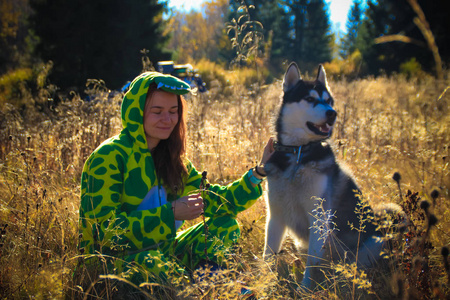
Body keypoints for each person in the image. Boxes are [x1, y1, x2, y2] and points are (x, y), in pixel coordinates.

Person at [78, 71, 274, 284]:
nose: (168, 119)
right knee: (152, 261)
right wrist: (170, 214)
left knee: (225, 226)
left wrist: (259, 173)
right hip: (111, 264)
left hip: (163, 251)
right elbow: (104, 234)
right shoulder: (109, 157)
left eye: (173, 111)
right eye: (157, 111)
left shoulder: (172, 158)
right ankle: (196, 290)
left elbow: (220, 203)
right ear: (137, 112)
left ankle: (215, 288)